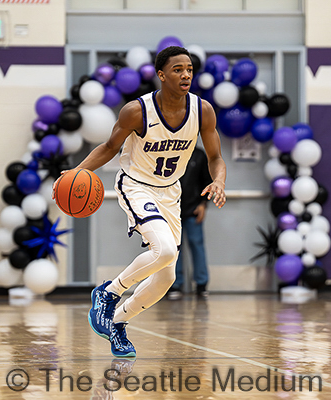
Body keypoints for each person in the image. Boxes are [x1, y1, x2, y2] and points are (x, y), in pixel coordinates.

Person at [52, 46, 227, 358]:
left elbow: (215, 158)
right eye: (177, 69)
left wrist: (219, 180)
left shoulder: (203, 111)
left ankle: (117, 322)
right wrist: (78, 172)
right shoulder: (137, 111)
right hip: (136, 186)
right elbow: (108, 147)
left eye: (188, 69)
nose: (186, 74)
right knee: (165, 250)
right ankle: (108, 293)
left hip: (171, 192)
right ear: (161, 75)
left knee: (167, 277)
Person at [168, 147, 212, 300]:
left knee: (196, 244)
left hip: (193, 209)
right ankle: (174, 284)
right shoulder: (167, 153)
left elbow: (207, 181)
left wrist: (203, 204)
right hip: (171, 210)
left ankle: (201, 284)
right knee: (173, 249)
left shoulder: (199, 155)